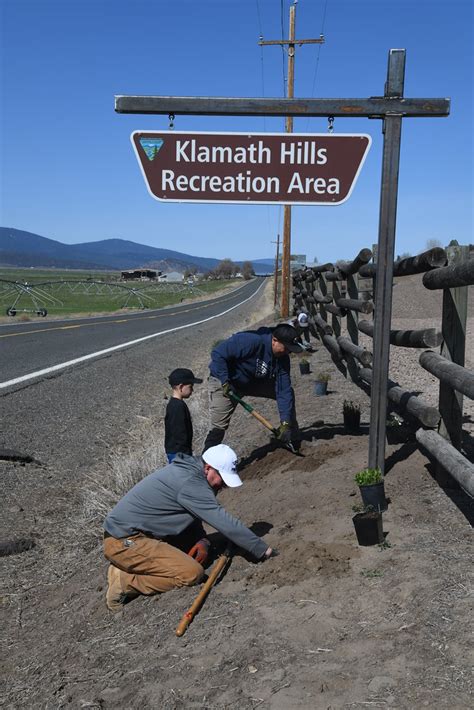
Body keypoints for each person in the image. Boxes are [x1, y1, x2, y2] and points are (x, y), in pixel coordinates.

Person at [103, 444, 274, 612]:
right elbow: (223, 521)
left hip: (141, 534)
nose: (224, 484)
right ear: (208, 468)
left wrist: (202, 539)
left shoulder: (193, 472)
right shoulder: (191, 482)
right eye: (222, 477)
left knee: (205, 548)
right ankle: (125, 581)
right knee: (191, 573)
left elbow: (190, 513)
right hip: (124, 541)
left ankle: (128, 567)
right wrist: (262, 550)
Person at [203, 323, 302, 452]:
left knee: (288, 394)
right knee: (219, 426)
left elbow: (283, 390)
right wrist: (225, 381)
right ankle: (207, 462)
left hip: (252, 382)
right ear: (275, 340)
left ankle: (290, 436)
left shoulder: (283, 359)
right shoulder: (251, 340)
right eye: (286, 348)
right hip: (225, 380)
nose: (288, 352)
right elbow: (218, 353)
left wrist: (285, 422)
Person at [164, 368, 203, 463]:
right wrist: (186, 455)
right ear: (181, 387)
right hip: (179, 454)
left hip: (178, 452)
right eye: (190, 386)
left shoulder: (175, 404)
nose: (192, 390)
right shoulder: (177, 407)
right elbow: (179, 433)